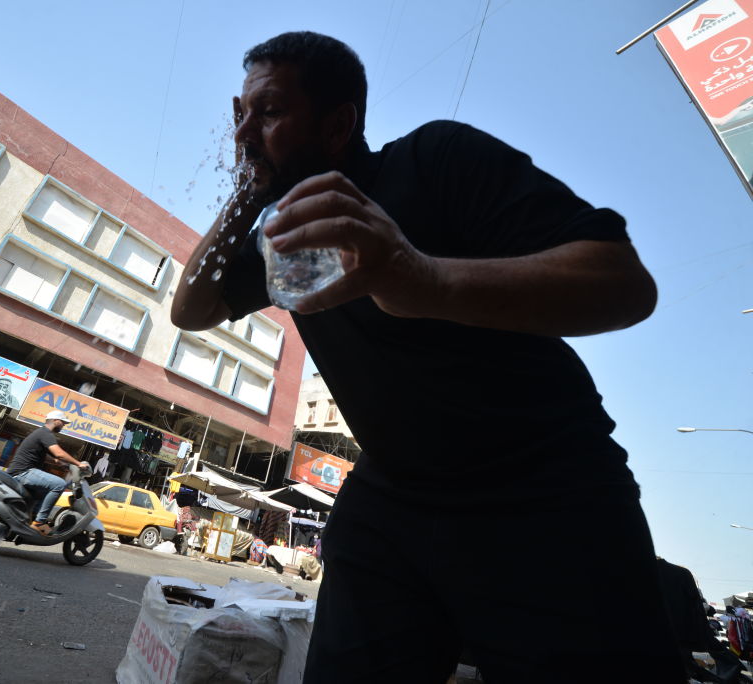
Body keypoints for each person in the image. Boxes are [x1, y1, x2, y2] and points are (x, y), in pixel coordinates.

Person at [170, 31, 684, 683]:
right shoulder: (285, 242)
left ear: (337, 125)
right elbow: (192, 309)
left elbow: (623, 282)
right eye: (239, 115)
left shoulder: (435, 160)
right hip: (393, 495)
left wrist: (421, 278)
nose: (243, 133)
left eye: (268, 113)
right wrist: (246, 194)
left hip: (549, 492)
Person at [5, 411, 89, 535]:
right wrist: (78, 464)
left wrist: (65, 465)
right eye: (63, 422)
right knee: (59, 484)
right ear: (56, 421)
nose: (64, 425)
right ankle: (39, 523)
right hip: (23, 472)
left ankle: (31, 518)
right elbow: (58, 453)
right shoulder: (45, 433)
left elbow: (54, 458)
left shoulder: (41, 433)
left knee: (44, 490)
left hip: (22, 472)